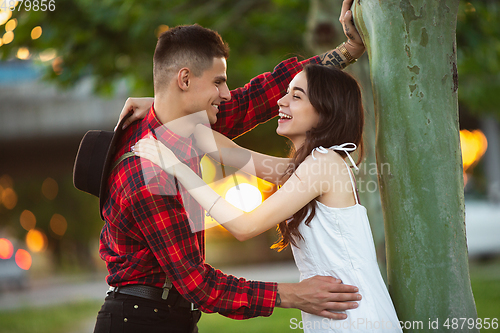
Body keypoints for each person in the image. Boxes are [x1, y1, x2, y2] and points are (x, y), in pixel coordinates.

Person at [96, 1, 366, 332]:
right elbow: (200, 284)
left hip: (171, 315)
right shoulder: (148, 174)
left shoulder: (193, 127)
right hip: (139, 320)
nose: (226, 94)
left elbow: (262, 94)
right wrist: (293, 295)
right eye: (218, 82)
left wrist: (349, 49)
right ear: (184, 79)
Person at [133, 64, 402, 332]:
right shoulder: (309, 167)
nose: (281, 101)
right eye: (286, 92)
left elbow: (245, 226)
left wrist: (177, 168)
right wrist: (163, 109)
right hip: (336, 314)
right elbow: (226, 151)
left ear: (326, 111)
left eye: (296, 96)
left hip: (354, 318)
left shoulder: (325, 164)